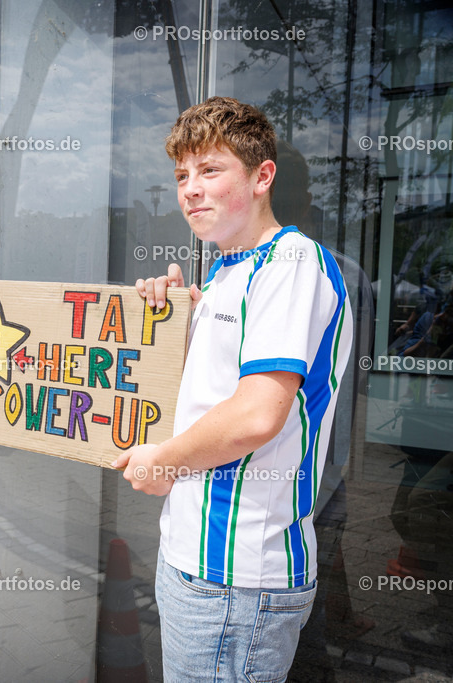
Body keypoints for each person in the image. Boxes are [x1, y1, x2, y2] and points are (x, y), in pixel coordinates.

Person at [112, 96, 353, 681]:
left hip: (236, 579)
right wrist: (170, 325)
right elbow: (207, 392)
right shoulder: (225, 274)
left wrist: (160, 461)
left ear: (262, 176)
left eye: (210, 170)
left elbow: (253, 416)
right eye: (181, 175)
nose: (190, 189)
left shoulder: (290, 263)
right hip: (193, 563)